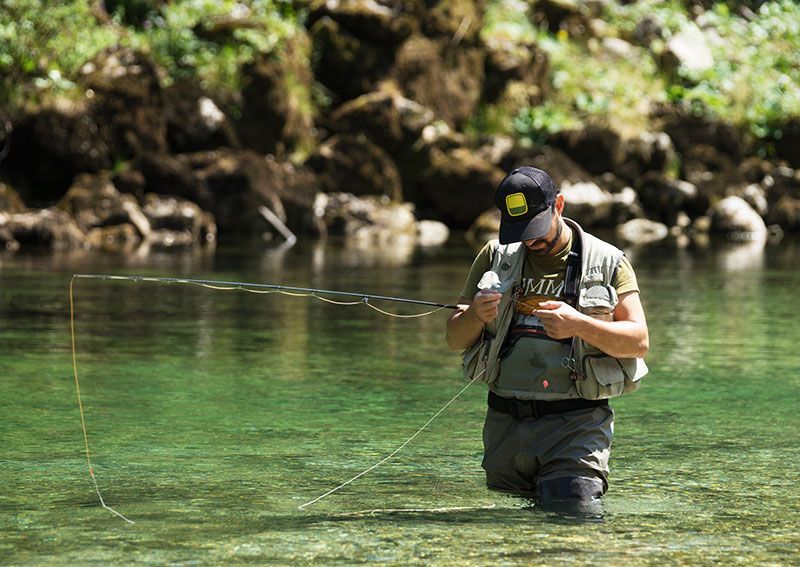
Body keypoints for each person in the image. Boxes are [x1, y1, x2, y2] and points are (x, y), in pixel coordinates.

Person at [446, 166, 649, 507]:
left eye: (537, 229)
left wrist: (580, 325)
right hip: (504, 428)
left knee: (575, 519)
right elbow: (454, 337)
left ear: (559, 205)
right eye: (520, 231)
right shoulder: (493, 257)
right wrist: (475, 315)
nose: (530, 240)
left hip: (576, 427)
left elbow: (638, 341)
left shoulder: (610, 261)